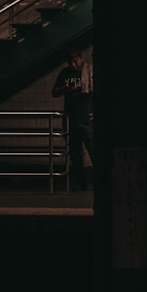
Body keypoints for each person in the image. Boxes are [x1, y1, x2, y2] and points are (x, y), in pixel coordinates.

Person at [52, 47, 94, 192]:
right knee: (76, 156)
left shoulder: (90, 71)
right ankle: (82, 185)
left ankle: (101, 182)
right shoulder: (64, 73)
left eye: (75, 61)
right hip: (71, 119)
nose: (73, 65)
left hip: (87, 119)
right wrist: (65, 89)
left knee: (94, 151)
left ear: (81, 58)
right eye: (70, 63)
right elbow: (55, 93)